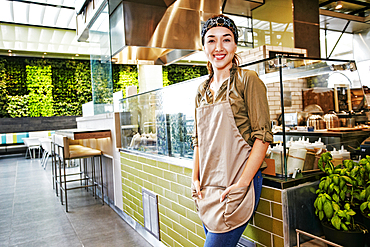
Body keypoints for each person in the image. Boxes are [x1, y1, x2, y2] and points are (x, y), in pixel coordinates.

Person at [191, 14, 273, 247]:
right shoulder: (202, 90)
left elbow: (262, 138)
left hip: (237, 183)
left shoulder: (248, 80)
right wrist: (195, 176)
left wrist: (242, 183)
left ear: (235, 44)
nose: (219, 47)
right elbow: (199, 140)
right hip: (207, 186)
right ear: (204, 47)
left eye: (226, 40)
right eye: (211, 40)